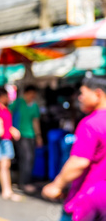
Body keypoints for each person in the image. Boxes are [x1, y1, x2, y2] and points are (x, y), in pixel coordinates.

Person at [43, 76, 106, 221]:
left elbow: (79, 162)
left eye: (83, 93)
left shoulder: (91, 123)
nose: (80, 98)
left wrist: (57, 185)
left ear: (98, 94)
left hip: (86, 201)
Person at [10, 85, 43, 194]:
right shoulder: (18, 102)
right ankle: (24, 183)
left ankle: (26, 181)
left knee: (30, 158)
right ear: (26, 93)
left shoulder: (34, 106)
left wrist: (38, 136)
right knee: (25, 158)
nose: (32, 96)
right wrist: (12, 128)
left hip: (31, 135)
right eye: (31, 93)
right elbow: (8, 114)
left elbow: (35, 121)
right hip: (20, 135)